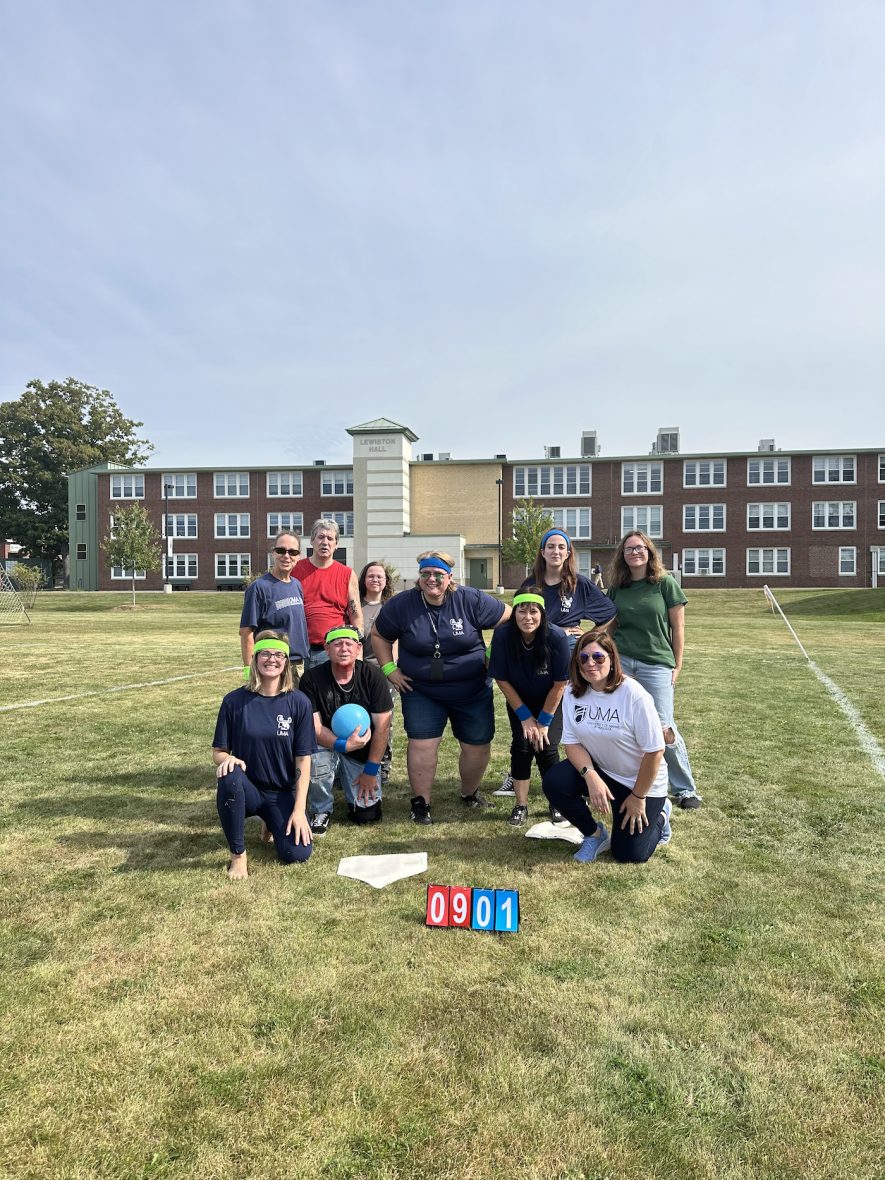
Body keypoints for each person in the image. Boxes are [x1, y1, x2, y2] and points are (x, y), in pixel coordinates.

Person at [371, 551, 511, 824]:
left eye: (438, 574)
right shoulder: (403, 604)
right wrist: (389, 669)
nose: (431, 579)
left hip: (471, 688)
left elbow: (508, 618)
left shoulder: (470, 599)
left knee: (477, 745)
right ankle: (421, 803)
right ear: (419, 577)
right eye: (425, 574)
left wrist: (492, 654)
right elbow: (378, 634)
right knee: (422, 744)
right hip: (422, 689)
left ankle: (469, 793)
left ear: (450, 577)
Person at [497, 528, 618, 799]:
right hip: (532, 660)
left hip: (565, 663)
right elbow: (520, 621)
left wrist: (587, 636)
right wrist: (555, 631)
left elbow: (610, 613)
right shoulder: (531, 583)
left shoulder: (579, 584)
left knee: (568, 722)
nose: (556, 551)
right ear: (542, 552)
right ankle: (517, 774)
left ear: (568, 553)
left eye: (561, 547)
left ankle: (585, 777)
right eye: (550, 546)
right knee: (525, 724)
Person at [542, 630, 672, 864]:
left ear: (612, 659)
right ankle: (594, 834)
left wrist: (638, 796)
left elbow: (655, 751)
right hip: (603, 771)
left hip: (641, 783)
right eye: (583, 658)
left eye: (598, 657)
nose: (590, 663)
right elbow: (572, 743)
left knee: (629, 855)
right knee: (555, 782)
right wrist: (590, 776)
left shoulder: (633, 694)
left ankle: (661, 814)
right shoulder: (572, 693)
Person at [606, 531, 702, 810]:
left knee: (663, 727)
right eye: (629, 549)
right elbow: (609, 627)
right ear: (622, 555)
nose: (635, 552)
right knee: (623, 723)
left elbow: (678, 628)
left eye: (640, 548)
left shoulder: (665, 584)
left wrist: (677, 664)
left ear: (649, 552)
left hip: (657, 663)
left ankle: (684, 789)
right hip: (623, 662)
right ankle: (625, 781)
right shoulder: (617, 588)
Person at [212, 630, 314, 879]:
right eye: (265, 653)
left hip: (281, 792)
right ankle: (238, 855)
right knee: (229, 775)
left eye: (279, 654)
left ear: (286, 662)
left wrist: (299, 810)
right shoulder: (234, 701)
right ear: (255, 659)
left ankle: (270, 821)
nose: (272, 659)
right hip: (248, 789)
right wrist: (228, 759)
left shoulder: (299, 702)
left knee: (297, 853)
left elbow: (303, 759)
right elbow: (218, 752)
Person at [300, 627, 393, 834]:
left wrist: (370, 770)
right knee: (315, 758)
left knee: (367, 815)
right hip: (326, 744)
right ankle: (320, 809)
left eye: (349, 644)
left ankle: (348, 781)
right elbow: (314, 727)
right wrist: (343, 745)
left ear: (358, 648)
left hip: (362, 749)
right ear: (327, 649)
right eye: (337, 644)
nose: (344, 649)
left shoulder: (373, 676)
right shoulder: (311, 678)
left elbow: (383, 727)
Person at [488, 590, 570, 826]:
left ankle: (556, 803)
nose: (528, 617)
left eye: (534, 611)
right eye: (522, 611)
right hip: (519, 700)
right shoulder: (503, 635)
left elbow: (560, 684)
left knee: (546, 747)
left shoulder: (556, 637)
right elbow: (501, 678)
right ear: (514, 613)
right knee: (522, 747)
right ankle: (521, 805)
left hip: (550, 700)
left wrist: (543, 721)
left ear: (542, 614)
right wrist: (524, 716)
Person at [292, 519, 363, 669]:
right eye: (320, 537)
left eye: (330, 538)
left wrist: (358, 650)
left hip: (332, 650)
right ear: (312, 541)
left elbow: (355, 614)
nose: (325, 542)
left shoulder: (347, 574)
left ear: (336, 544)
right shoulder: (295, 570)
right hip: (298, 650)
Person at [239, 532, 308, 681]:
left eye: (292, 552)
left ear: (299, 556)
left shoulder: (297, 585)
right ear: (273, 553)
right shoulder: (258, 588)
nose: (286, 556)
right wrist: (248, 670)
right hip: (274, 665)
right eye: (281, 550)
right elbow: (246, 632)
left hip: (298, 665)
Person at [358, 560, 397, 783]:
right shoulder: (355, 607)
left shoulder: (392, 607)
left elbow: (398, 640)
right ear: (364, 580)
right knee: (361, 719)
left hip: (385, 672)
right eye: (371, 576)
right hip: (360, 673)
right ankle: (358, 763)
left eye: (380, 576)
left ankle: (383, 766)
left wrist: (391, 668)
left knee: (383, 722)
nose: (375, 579)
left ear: (386, 581)